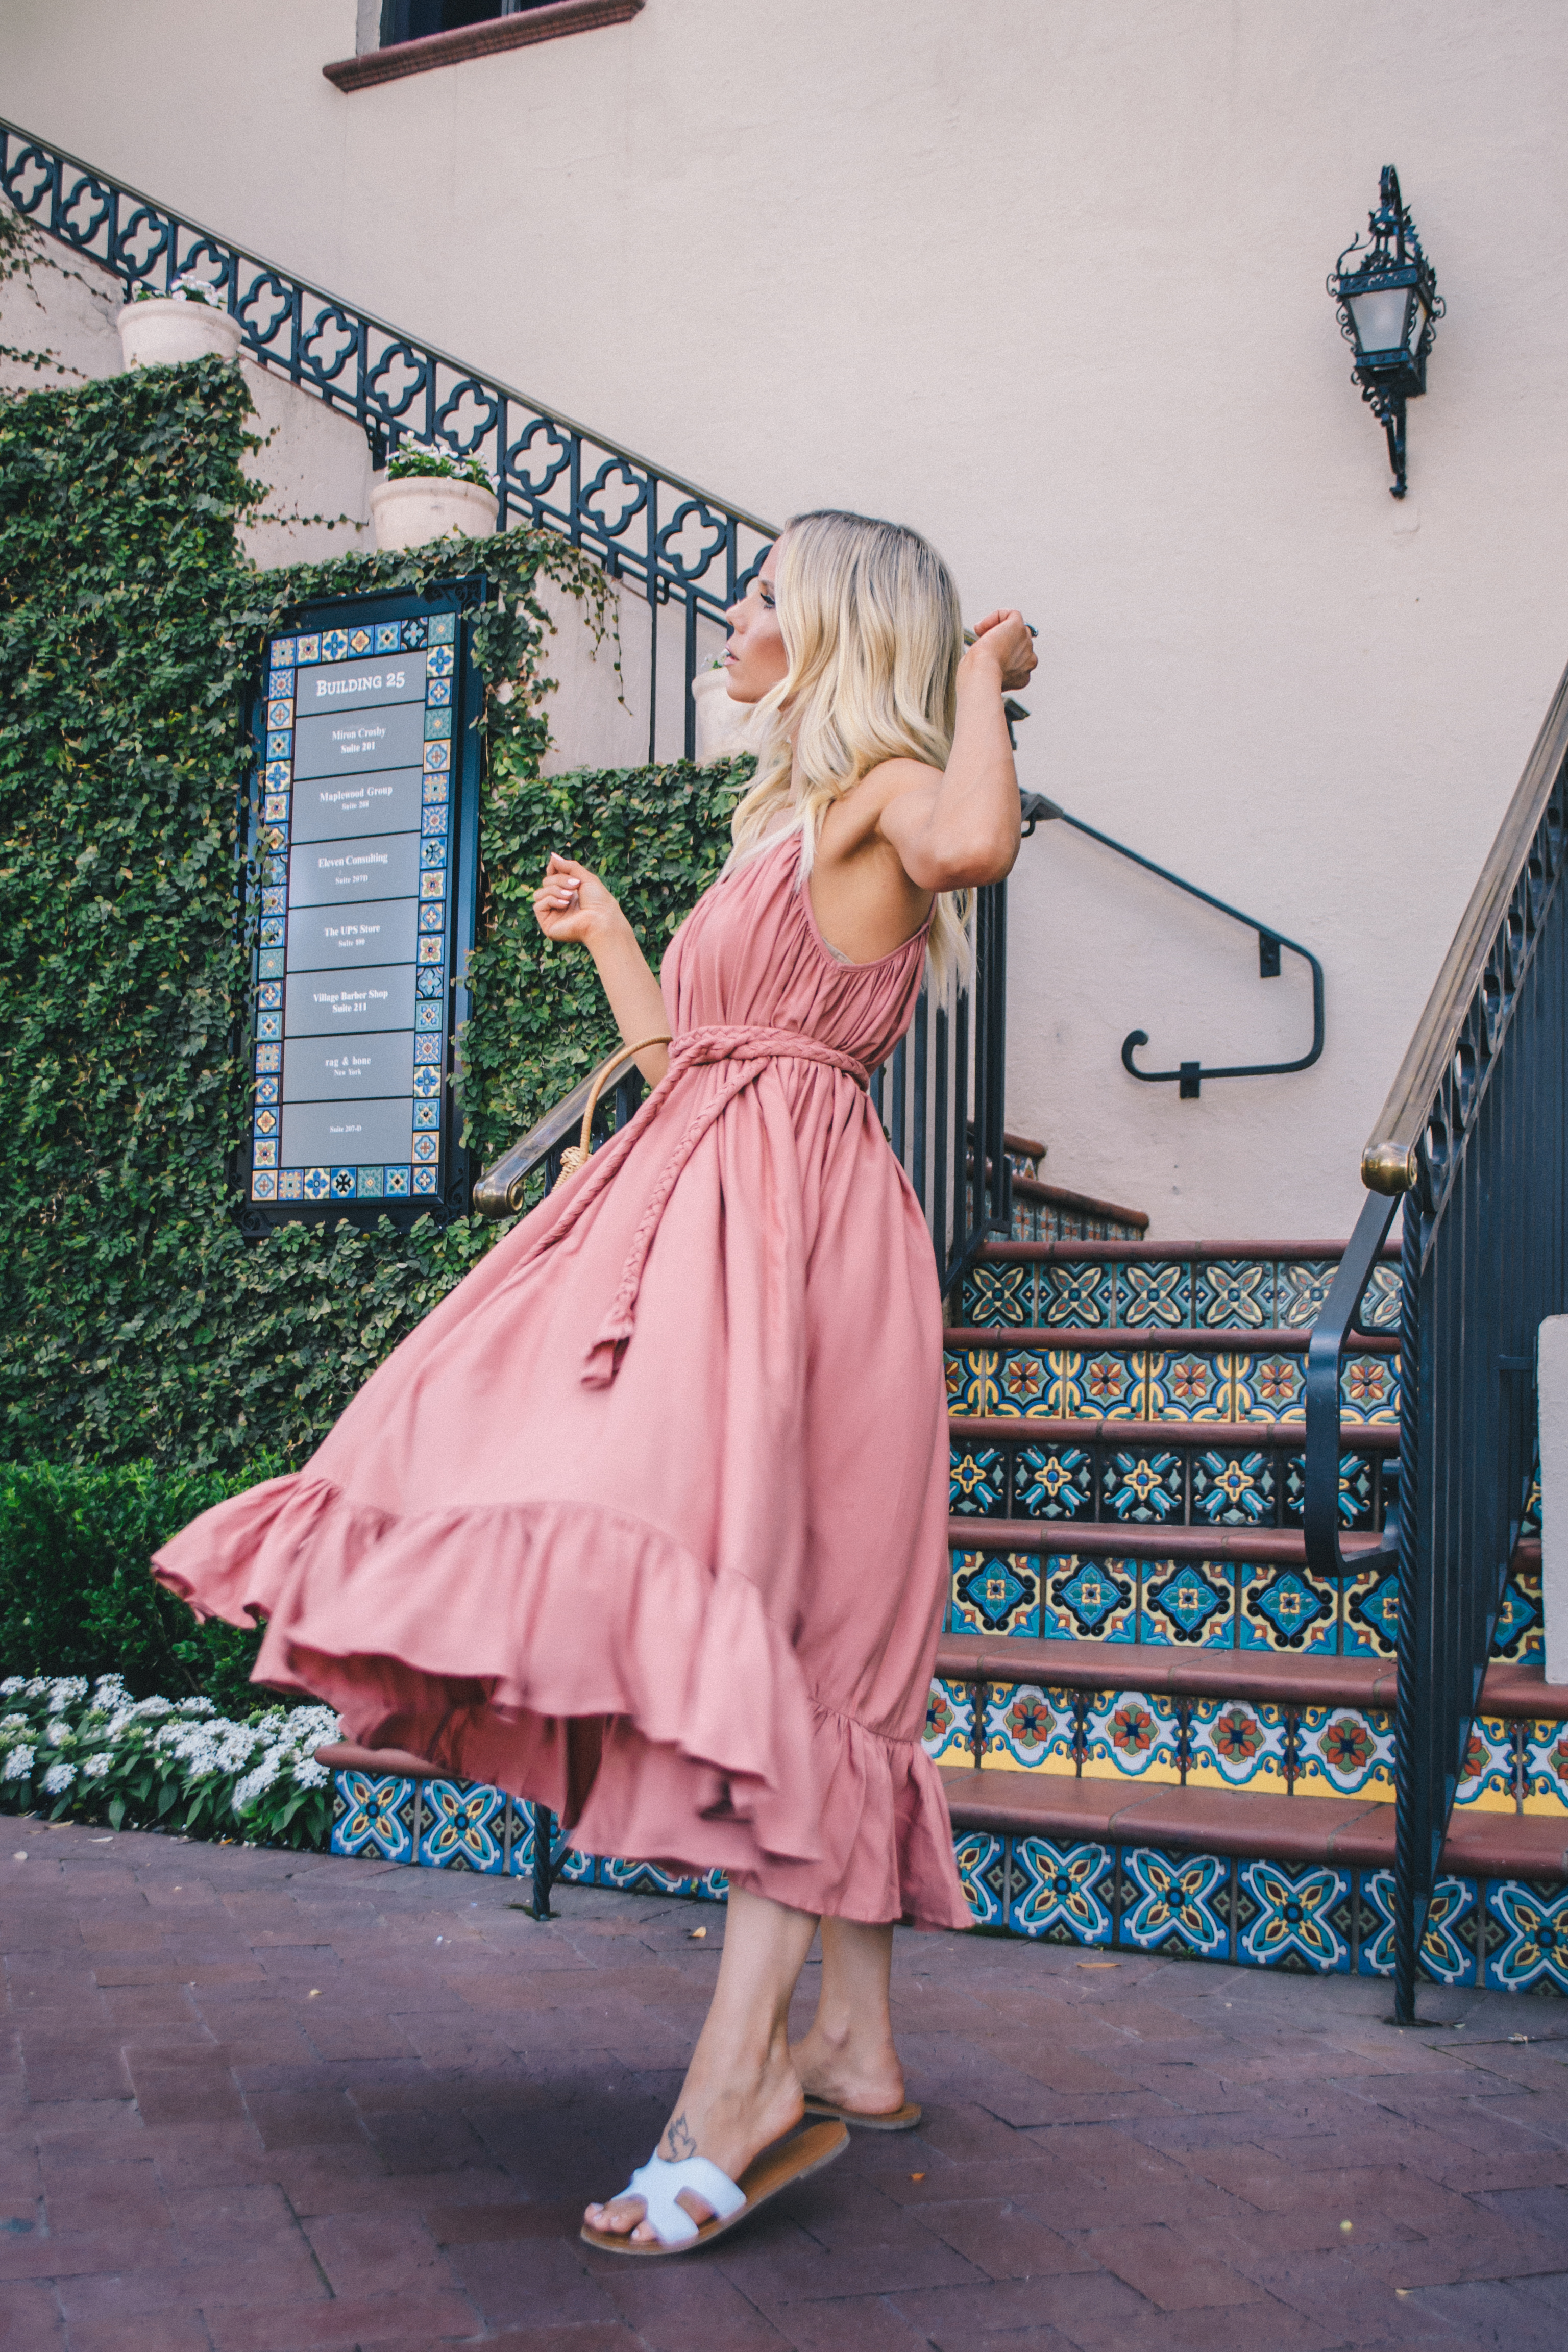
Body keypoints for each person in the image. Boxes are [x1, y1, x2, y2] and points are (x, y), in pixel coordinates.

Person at [153, 507, 1036, 2255]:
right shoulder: (776, 825)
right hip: (692, 1202)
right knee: (711, 1573)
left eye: (768, 592)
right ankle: (848, 2042)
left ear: (843, 634)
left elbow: (983, 841)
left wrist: (983, 680)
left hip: (796, 1240)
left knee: (781, 1619)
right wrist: (625, 941)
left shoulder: (878, 792)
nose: (737, 610)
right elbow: (682, 1060)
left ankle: (744, 2091)